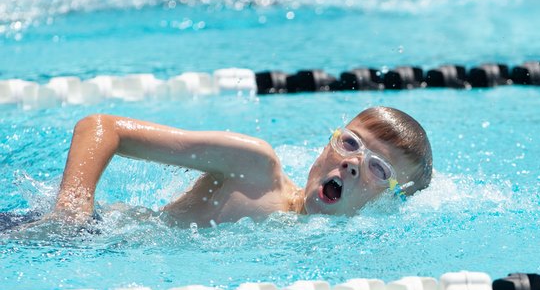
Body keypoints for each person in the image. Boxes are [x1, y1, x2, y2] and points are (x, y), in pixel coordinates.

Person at [49, 106, 432, 227]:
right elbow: (101, 127)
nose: (352, 164)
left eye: (378, 169)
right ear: (326, 145)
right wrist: (72, 210)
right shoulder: (255, 167)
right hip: (79, 234)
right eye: (350, 143)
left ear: (389, 200)